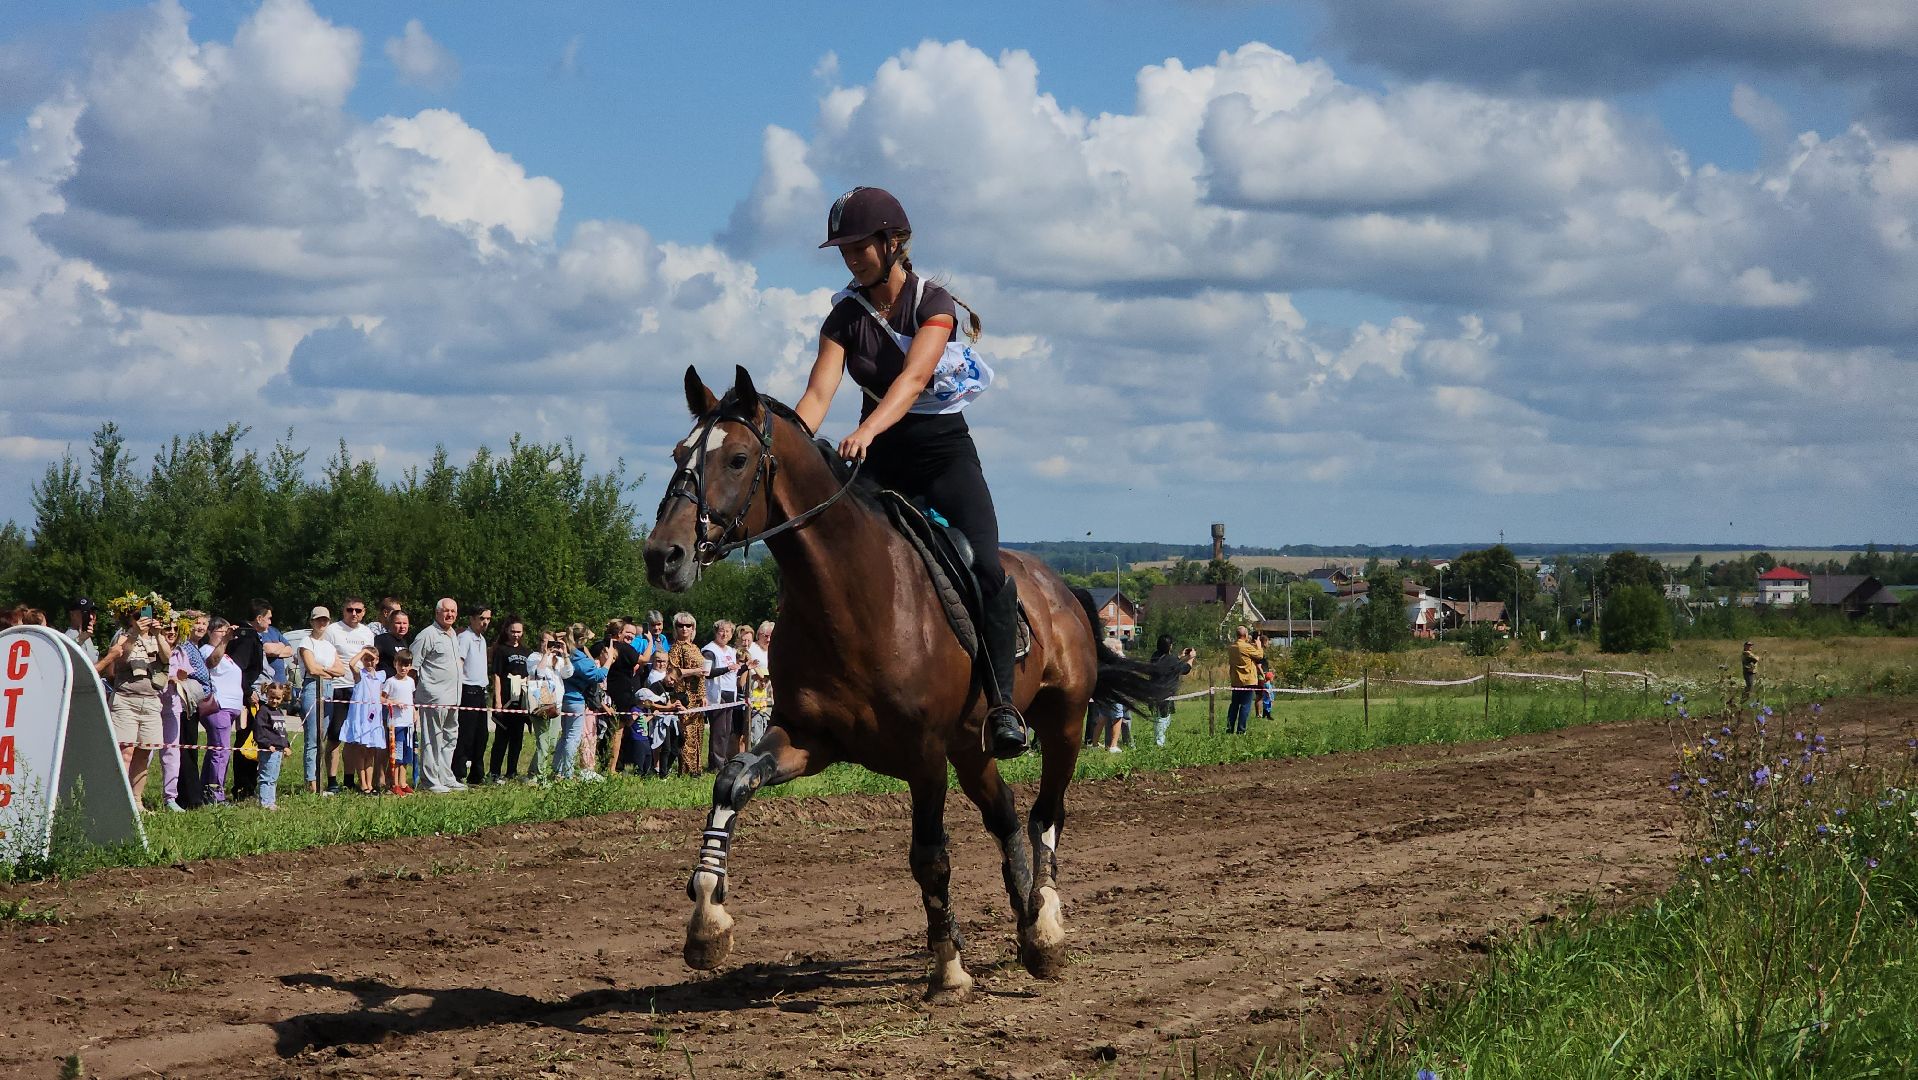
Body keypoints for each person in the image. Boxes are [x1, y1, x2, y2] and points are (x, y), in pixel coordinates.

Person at [796, 185, 1026, 759]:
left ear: (892, 242)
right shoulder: (843, 315)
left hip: (942, 456)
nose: (849, 257)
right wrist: (788, 446)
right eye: (842, 249)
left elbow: (912, 381)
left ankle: (1002, 705)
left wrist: (868, 429)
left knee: (987, 567)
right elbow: (818, 394)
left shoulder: (934, 303)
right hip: (880, 461)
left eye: (858, 246)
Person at [101, 603, 168, 806]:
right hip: (126, 700)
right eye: (138, 616)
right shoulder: (123, 637)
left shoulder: (158, 637)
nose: (143, 619)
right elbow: (120, 659)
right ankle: (119, 800)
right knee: (125, 752)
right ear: (130, 618)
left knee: (145, 751)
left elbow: (167, 658)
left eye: (147, 615)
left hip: (151, 701)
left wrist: (157, 635)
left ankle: (137, 801)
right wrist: (135, 633)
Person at [324, 598, 379, 792]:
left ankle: (349, 780)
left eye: (358, 610)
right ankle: (332, 781)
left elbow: (371, 660)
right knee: (335, 736)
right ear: (343, 611)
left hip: (361, 691)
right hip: (339, 686)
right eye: (349, 610)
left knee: (354, 737)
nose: (353, 613)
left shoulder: (367, 633)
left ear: (364, 612)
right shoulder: (333, 630)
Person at [412, 598, 466, 793]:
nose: (450, 614)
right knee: (432, 739)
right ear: (437, 613)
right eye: (446, 611)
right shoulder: (427, 635)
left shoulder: (453, 635)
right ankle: (430, 780)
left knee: (450, 738)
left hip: (454, 697)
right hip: (434, 697)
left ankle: (445, 776)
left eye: (453, 611)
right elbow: (413, 667)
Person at [298, 607, 347, 794]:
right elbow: (312, 669)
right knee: (312, 738)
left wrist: (324, 668)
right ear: (311, 621)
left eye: (325, 620)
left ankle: (318, 779)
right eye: (318, 620)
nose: (322, 623)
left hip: (329, 689)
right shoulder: (306, 642)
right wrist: (328, 670)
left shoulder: (329, 646)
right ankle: (311, 783)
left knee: (322, 737)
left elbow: (341, 670)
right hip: (312, 687)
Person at [197, 617, 243, 804]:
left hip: (230, 707)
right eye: (220, 631)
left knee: (216, 749)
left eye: (226, 631)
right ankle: (216, 795)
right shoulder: (207, 650)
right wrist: (224, 641)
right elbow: (211, 663)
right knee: (221, 752)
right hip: (218, 707)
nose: (224, 634)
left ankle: (205, 789)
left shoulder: (227, 654)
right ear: (209, 632)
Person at [559, 623, 607, 781]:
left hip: (563, 697)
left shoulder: (566, 652)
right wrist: (609, 662)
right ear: (582, 640)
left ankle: (557, 768)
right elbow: (597, 675)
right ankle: (568, 771)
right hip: (575, 699)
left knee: (565, 736)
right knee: (573, 737)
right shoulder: (578, 659)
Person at [488, 616, 532, 783]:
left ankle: (512, 772)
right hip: (505, 700)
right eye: (513, 631)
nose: (515, 635)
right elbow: (497, 676)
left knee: (517, 739)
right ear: (507, 631)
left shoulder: (526, 652)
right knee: (501, 738)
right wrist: (497, 701)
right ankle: (494, 773)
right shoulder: (501, 650)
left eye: (518, 632)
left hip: (521, 701)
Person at [452, 605, 493, 785]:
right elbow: (459, 664)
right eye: (481, 618)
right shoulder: (465, 638)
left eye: (488, 619)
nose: (485, 622)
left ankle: (477, 774)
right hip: (467, 690)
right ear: (472, 619)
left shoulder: (482, 639)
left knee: (481, 735)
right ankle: (458, 772)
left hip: (481, 691)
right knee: (465, 735)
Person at [340, 646, 388, 793]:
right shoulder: (359, 674)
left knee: (371, 752)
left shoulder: (380, 675)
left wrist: (390, 701)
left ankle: (370, 784)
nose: (369, 662)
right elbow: (351, 664)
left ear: (377, 660)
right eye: (366, 659)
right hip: (361, 717)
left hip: (374, 718)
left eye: (372, 659)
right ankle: (363, 783)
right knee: (360, 751)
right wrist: (363, 652)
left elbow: (379, 695)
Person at [524, 631, 570, 780]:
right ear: (540, 642)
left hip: (556, 705)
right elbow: (538, 673)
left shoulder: (558, 659)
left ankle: (533, 771)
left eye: (552, 642)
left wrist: (565, 654)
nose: (549, 645)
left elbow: (568, 673)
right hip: (540, 703)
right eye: (546, 641)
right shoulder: (534, 657)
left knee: (551, 742)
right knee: (542, 741)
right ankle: (539, 776)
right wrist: (545, 654)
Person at [666, 612, 707, 775]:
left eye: (688, 625)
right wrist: (695, 671)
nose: (684, 628)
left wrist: (704, 695)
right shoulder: (676, 647)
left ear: (693, 628)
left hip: (697, 696)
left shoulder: (695, 647)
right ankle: (686, 770)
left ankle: (697, 769)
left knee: (698, 733)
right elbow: (673, 672)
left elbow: (703, 674)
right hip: (683, 696)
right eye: (680, 625)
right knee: (687, 734)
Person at [702, 619, 741, 769]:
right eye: (721, 631)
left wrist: (745, 667)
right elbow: (707, 672)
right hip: (717, 693)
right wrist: (726, 668)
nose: (724, 634)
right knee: (718, 731)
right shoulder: (710, 650)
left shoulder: (731, 651)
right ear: (716, 632)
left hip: (730, 691)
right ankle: (715, 765)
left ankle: (723, 760)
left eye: (728, 631)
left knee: (726, 730)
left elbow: (733, 671)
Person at [383, 649, 418, 795]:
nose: (403, 668)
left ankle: (403, 783)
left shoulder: (410, 681)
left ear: (410, 666)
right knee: (396, 755)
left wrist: (415, 712)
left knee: (406, 755)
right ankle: (394, 783)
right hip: (395, 724)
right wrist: (392, 702)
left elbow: (412, 699)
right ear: (395, 664)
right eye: (400, 664)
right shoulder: (391, 682)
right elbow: (381, 698)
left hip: (408, 724)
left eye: (407, 665)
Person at [1150, 637, 1196, 747]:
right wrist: (1191, 658)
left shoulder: (1155, 656)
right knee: (1162, 719)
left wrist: (1180, 656)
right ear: (1170, 646)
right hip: (1165, 693)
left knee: (1162, 718)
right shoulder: (1171, 660)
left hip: (1154, 691)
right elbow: (1185, 669)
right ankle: (1159, 743)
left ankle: (1159, 740)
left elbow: (1170, 661)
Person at [641, 649, 681, 777]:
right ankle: (658, 768)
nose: (661, 664)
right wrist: (668, 708)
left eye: (664, 661)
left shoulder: (671, 680)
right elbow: (649, 703)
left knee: (674, 745)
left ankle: (664, 767)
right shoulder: (652, 679)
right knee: (661, 745)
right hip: (657, 717)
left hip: (670, 718)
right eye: (658, 661)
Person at [254, 681, 292, 808]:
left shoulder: (279, 712)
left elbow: (282, 732)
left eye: (278, 698)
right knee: (266, 776)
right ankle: (265, 802)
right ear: (267, 695)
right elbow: (259, 731)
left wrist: (286, 745)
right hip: (268, 750)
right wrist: (266, 744)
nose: (274, 701)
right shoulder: (263, 711)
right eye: (272, 697)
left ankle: (271, 801)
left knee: (273, 777)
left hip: (278, 751)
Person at [1225, 625, 1264, 736]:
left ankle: (1229, 728)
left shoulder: (1232, 647)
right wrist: (1259, 646)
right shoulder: (1246, 647)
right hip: (1247, 680)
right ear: (1245, 634)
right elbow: (1259, 655)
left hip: (1236, 680)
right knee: (1245, 705)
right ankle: (1241, 730)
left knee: (1234, 705)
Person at [64, 597, 99, 670]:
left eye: (93, 612)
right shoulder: (70, 637)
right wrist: (111, 657)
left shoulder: (86, 636)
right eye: (85, 613)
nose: (91, 617)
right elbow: (88, 671)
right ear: (72, 615)